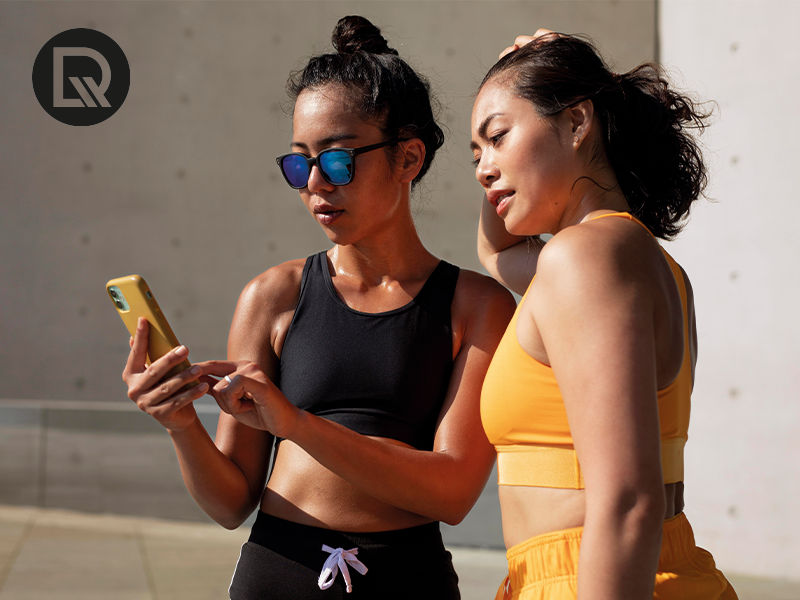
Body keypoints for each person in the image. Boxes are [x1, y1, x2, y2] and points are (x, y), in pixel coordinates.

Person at [121, 15, 515, 600]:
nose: (315, 184)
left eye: (337, 160)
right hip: (278, 571)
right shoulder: (273, 296)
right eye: (299, 162)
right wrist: (180, 426)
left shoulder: (476, 305)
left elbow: (453, 492)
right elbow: (231, 502)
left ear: (408, 158)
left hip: (409, 579)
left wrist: (296, 424)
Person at [473, 31, 737, 599]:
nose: (483, 168)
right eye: (477, 154)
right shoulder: (638, 261)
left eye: (497, 137)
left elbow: (626, 501)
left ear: (576, 123)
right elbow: (495, 254)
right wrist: (514, 73)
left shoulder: (583, 259)